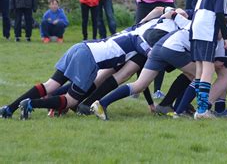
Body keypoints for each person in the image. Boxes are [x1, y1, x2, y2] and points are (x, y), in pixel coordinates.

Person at [0, 21, 153, 120]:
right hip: (89, 58)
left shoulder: (131, 29)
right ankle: (31, 104)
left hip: (80, 46)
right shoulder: (139, 41)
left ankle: (8, 109)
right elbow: (140, 63)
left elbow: (155, 11)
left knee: (50, 85)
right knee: (70, 100)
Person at [191, 0, 227, 119]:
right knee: (208, 67)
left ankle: (198, 108)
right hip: (207, 28)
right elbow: (220, 13)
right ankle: (202, 111)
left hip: (196, 25)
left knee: (200, 67)